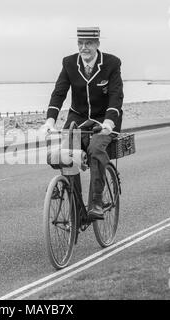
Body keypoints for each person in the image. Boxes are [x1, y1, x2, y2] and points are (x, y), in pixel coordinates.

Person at [42, 27, 124, 220]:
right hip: (77, 119)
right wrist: (49, 121)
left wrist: (109, 123)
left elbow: (116, 96)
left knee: (96, 149)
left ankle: (95, 202)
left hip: (104, 120)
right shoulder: (69, 63)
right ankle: (77, 207)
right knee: (65, 154)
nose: (83, 47)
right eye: (80, 43)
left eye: (88, 43)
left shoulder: (111, 63)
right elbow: (59, 93)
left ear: (97, 44)